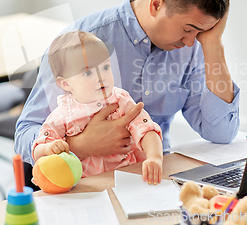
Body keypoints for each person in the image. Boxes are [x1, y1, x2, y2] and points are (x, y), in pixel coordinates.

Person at [15, 0, 240, 171]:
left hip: (154, 177)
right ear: (156, 5)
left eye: (201, 32)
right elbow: (24, 135)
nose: (192, 41)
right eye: (188, 29)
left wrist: (213, 45)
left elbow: (222, 133)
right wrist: (80, 146)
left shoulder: (191, 48)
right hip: (88, 184)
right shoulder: (78, 43)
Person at [32, 31, 163, 184]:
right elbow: (38, 150)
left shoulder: (121, 101)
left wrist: (155, 157)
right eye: (87, 73)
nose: (101, 77)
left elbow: (147, 130)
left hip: (126, 178)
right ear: (65, 83)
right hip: (86, 185)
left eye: (106, 67)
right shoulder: (62, 115)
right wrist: (49, 149)